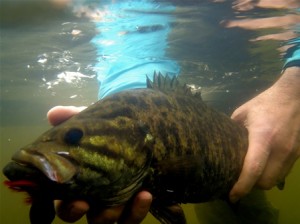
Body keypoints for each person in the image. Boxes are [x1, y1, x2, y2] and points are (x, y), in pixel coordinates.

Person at [43, 0, 300, 223]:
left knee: (250, 202)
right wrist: (131, 98)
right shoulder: (129, 10)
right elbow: (132, 44)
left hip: (265, 80)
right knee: (224, 211)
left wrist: (294, 86)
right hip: (201, 109)